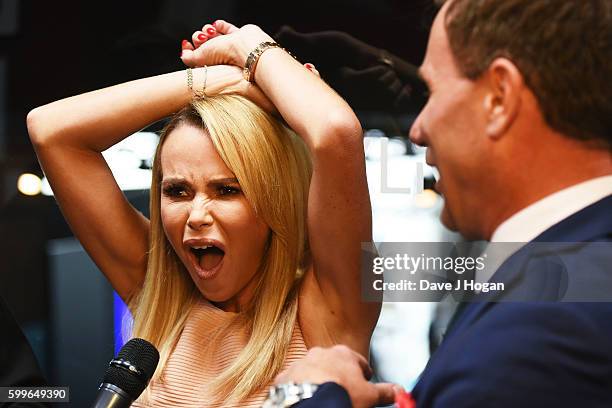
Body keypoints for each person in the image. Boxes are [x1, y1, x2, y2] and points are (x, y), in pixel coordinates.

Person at [273, 0, 612, 406]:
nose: (418, 129)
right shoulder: (573, 272)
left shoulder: (540, 334)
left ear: (499, 98)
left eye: (431, 91)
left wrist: (304, 394)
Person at [27, 20, 380, 407]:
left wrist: (252, 46)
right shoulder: (160, 295)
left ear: (274, 202)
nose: (196, 215)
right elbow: (50, 129)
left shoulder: (327, 310)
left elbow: (336, 133)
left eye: (227, 190)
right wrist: (221, 82)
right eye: (177, 191)